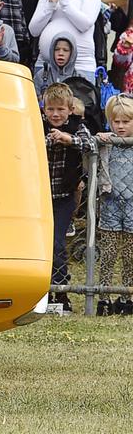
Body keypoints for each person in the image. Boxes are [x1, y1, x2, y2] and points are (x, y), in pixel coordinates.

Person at [42, 82, 95, 314]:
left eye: (60, 109)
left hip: (65, 197)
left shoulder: (76, 126)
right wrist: (49, 140)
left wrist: (67, 138)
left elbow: (90, 143)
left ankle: (61, 291)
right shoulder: (37, 125)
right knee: (40, 246)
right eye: (50, 109)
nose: (55, 114)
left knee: (58, 244)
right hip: (39, 196)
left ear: (70, 109)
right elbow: (24, 143)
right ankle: (41, 292)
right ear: (43, 109)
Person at [29, 0, 101, 82]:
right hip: (46, 68)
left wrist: (63, 0)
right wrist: (51, 3)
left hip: (80, 67)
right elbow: (34, 30)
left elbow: (85, 24)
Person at [95, 95, 133, 315]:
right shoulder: (107, 143)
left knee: (129, 255)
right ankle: (104, 297)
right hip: (110, 205)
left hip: (132, 208)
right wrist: (101, 138)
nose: (120, 126)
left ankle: (127, 296)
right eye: (116, 121)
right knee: (108, 254)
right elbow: (88, 145)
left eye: (126, 122)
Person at [34, 31, 78, 99]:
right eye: (57, 49)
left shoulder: (79, 78)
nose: (60, 53)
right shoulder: (41, 75)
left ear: (72, 53)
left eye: (65, 50)